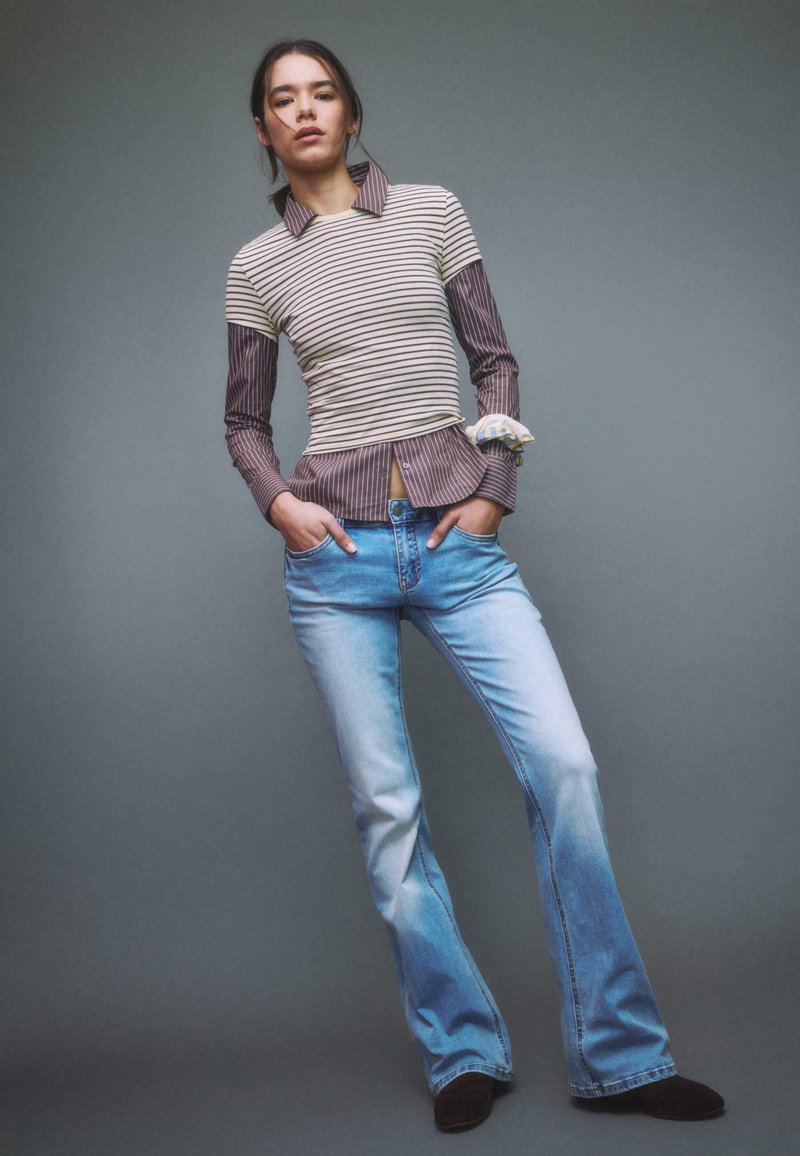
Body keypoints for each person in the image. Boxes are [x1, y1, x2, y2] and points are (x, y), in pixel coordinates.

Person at [223, 37, 724, 1133]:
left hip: (457, 547)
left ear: (351, 113)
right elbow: (244, 421)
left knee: (564, 765)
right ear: (262, 129)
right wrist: (279, 504)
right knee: (388, 810)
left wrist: (495, 485)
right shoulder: (256, 266)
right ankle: (463, 1052)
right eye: (281, 101)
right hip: (337, 566)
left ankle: (621, 1056)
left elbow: (492, 359)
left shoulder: (431, 212)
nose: (304, 111)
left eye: (321, 93)